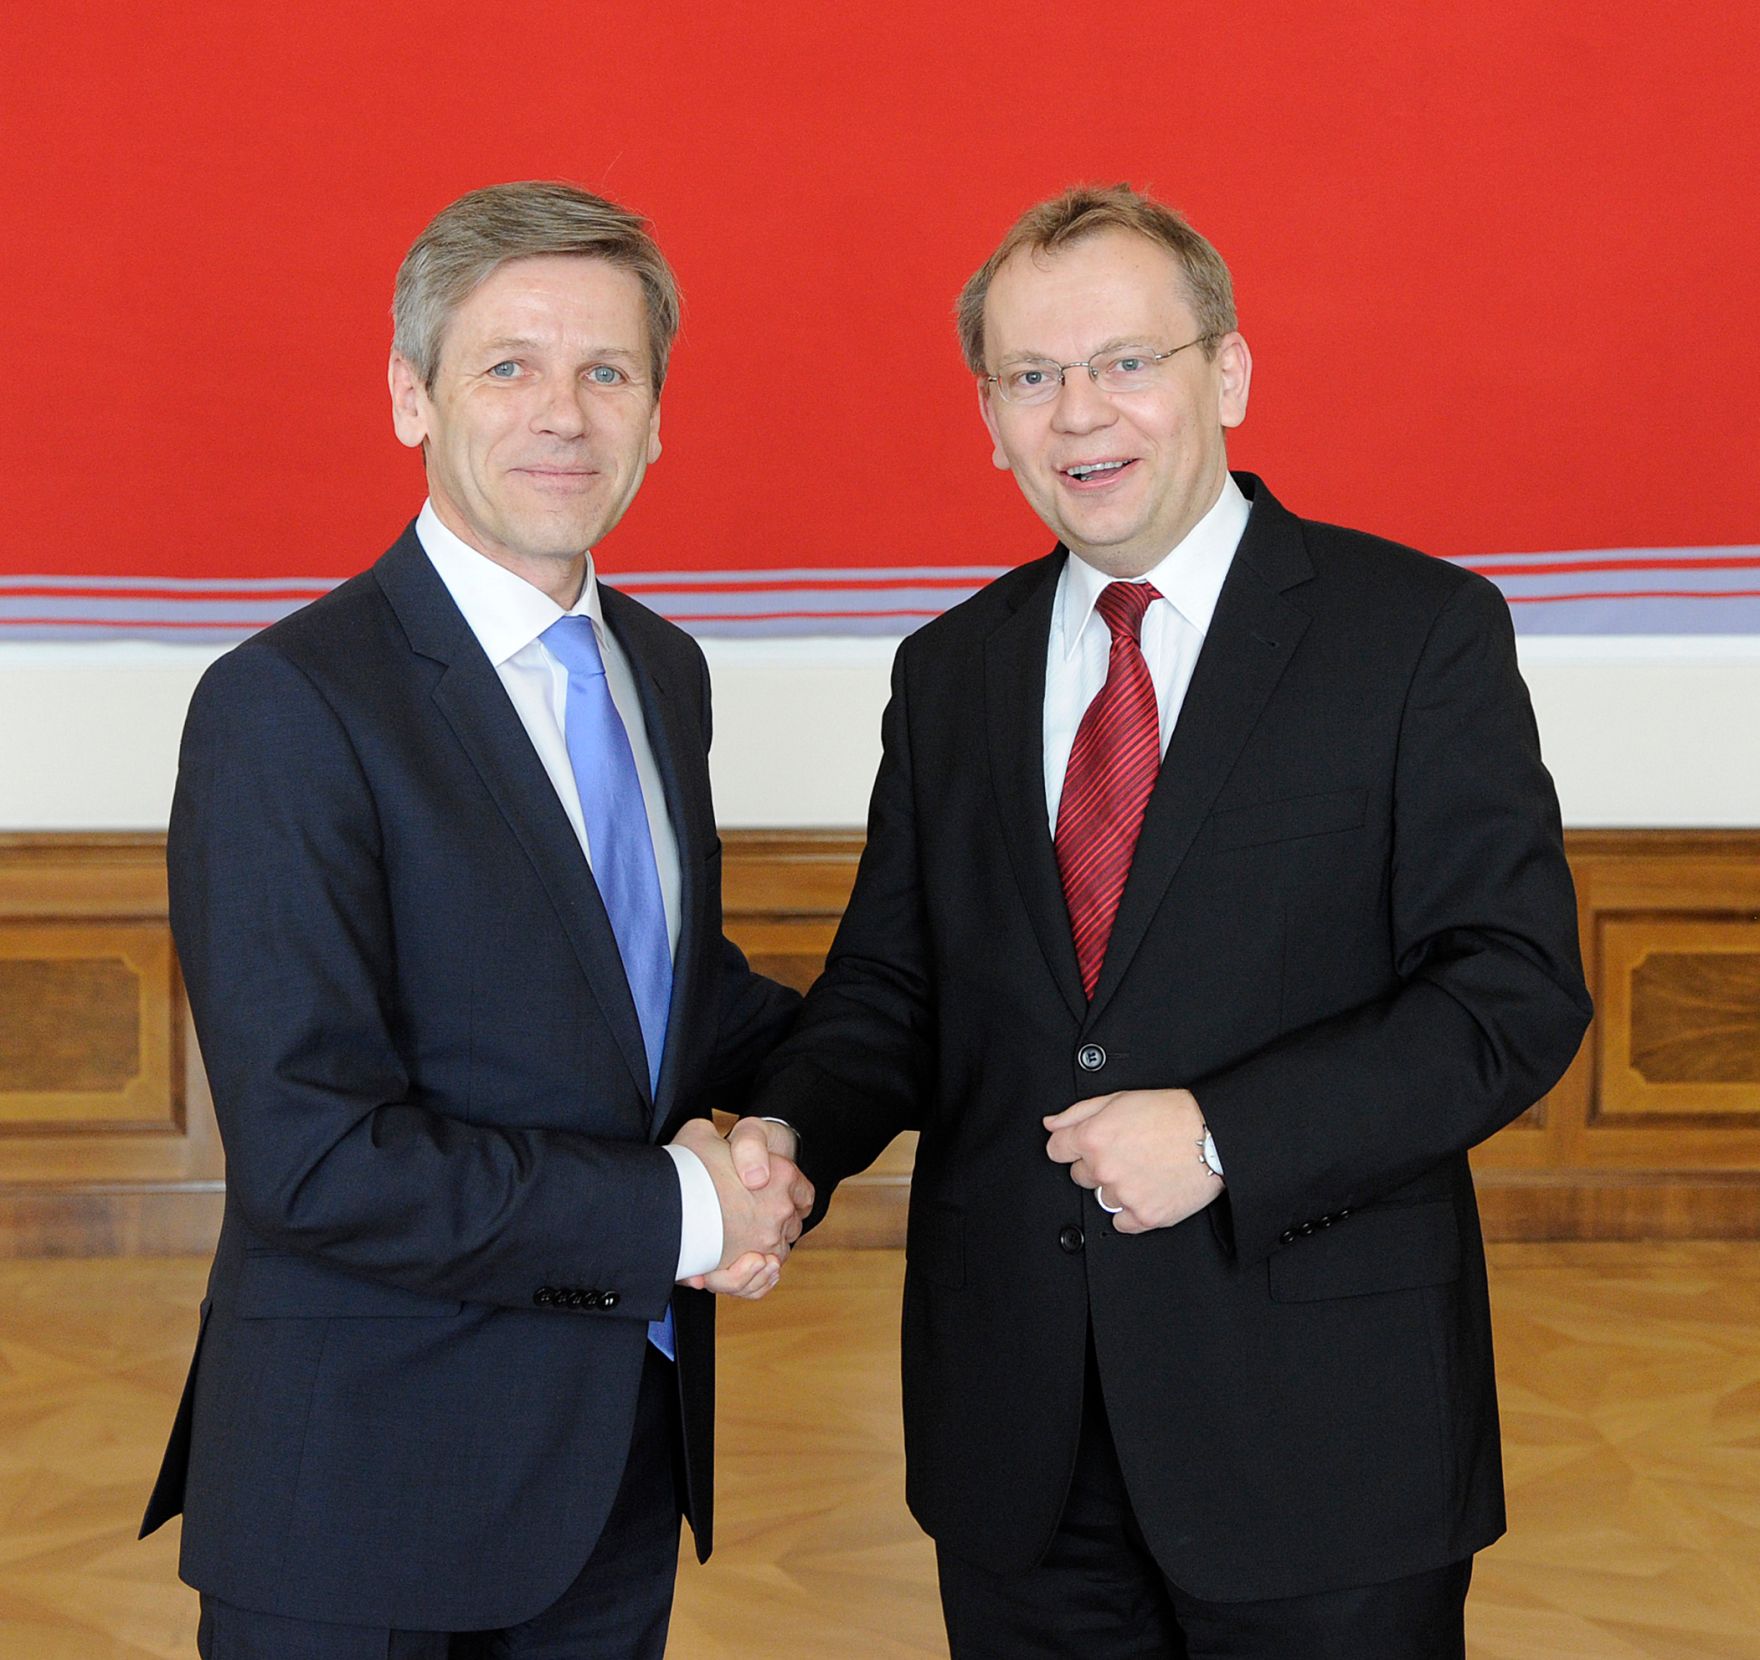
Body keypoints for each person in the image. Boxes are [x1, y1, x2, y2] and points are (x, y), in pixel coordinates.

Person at [734, 184, 1592, 1657]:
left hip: (1324, 1437)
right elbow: (893, 993)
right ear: (989, 417)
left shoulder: (1415, 633)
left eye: (1127, 361)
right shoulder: (950, 672)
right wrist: (786, 1138)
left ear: (1229, 373)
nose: (1081, 412)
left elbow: (1508, 996)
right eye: (1032, 375)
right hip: (1017, 1443)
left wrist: (1220, 1137)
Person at [140, 180, 811, 1659]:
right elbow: (316, 1156)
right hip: (360, 1497)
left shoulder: (663, 671)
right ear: (410, 396)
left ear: (656, 416)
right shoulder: (287, 704)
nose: (562, 413)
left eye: (607, 371)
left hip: (617, 1466)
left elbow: (659, 996)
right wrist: (688, 1210)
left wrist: (911, 1057)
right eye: (509, 366)